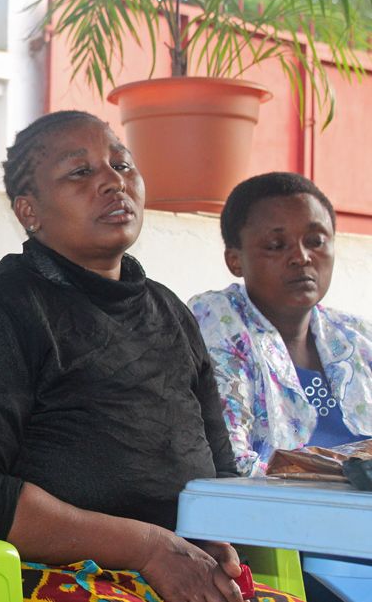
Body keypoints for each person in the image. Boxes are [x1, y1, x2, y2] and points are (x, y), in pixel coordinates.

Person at [0, 111, 301, 602]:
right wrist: (147, 547)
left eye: (123, 165)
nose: (113, 181)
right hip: (10, 577)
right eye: (80, 172)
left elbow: (214, 473)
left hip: (161, 571)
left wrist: (213, 539)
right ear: (30, 212)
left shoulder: (170, 312)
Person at [188, 172, 372, 602]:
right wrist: (344, 472)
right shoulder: (218, 322)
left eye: (316, 241)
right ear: (236, 259)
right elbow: (227, 460)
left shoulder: (355, 338)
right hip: (294, 550)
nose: (301, 258)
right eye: (277, 245)